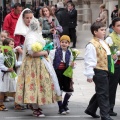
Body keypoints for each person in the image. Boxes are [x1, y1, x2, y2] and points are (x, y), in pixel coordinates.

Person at [15, 18, 60, 117]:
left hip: (40, 62)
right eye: (39, 25)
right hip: (32, 64)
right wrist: (45, 52)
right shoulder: (31, 36)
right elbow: (31, 52)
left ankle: (36, 104)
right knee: (34, 84)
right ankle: (35, 107)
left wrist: (47, 49)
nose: (40, 27)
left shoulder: (37, 35)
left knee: (41, 83)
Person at [84, 22, 114, 120]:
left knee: (102, 91)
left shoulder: (103, 42)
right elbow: (89, 60)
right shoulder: (92, 44)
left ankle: (91, 109)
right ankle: (105, 115)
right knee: (103, 93)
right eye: (101, 30)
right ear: (95, 32)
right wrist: (89, 75)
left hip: (106, 69)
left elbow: (107, 55)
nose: (104, 32)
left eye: (104, 30)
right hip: (99, 70)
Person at [49, 35, 74, 115]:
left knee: (69, 90)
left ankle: (64, 104)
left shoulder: (70, 53)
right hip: (57, 73)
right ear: (60, 43)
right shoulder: (54, 51)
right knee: (58, 90)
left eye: (66, 42)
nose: (64, 44)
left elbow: (71, 62)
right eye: (62, 42)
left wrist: (72, 65)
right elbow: (50, 62)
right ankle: (60, 107)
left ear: (68, 44)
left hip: (66, 73)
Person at [0, 38, 22, 111]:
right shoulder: (2, 55)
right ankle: (1, 104)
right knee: (2, 90)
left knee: (15, 88)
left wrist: (23, 62)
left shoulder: (13, 54)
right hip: (4, 75)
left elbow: (15, 64)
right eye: (11, 44)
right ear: (6, 45)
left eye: (13, 44)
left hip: (12, 74)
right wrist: (7, 69)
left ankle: (17, 104)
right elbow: (0, 65)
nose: (13, 46)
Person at [105, 17, 120, 116]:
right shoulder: (110, 38)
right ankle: (110, 108)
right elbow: (108, 52)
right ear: (113, 27)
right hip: (116, 65)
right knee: (112, 87)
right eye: (118, 26)